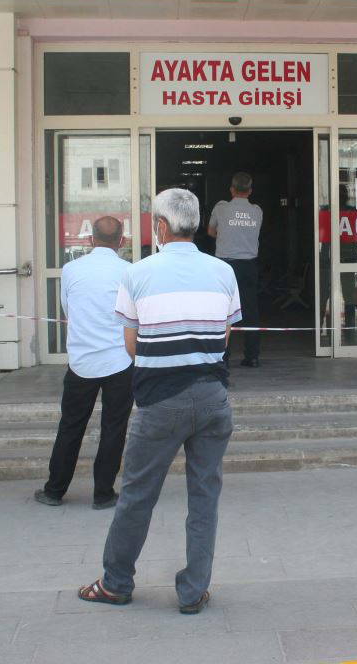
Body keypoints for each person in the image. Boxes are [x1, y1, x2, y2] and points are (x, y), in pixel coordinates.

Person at [78, 188, 240, 615]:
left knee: (137, 494)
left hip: (159, 401)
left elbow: (132, 346)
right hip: (213, 397)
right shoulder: (223, 272)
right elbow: (224, 338)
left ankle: (116, 583)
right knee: (204, 497)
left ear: (162, 226)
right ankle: (193, 591)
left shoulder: (137, 274)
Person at [34, 216, 134, 510]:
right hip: (119, 360)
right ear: (122, 242)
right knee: (114, 428)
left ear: (91, 240)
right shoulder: (129, 272)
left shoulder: (71, 270)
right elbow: (134, 316)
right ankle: (103, 494)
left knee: (70, 426)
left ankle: (54, 490)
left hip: (81, 360)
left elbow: (68, 308)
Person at [208, 172, 263, 367]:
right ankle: (252, 356)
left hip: (225, 265)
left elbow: (211, 231)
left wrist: (226, 237)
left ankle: (223, 356)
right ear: (250, 191)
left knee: (222, 310)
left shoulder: (221, 208)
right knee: (251, 311)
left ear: (232, 189)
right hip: (249, 265)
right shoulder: (257, 211)